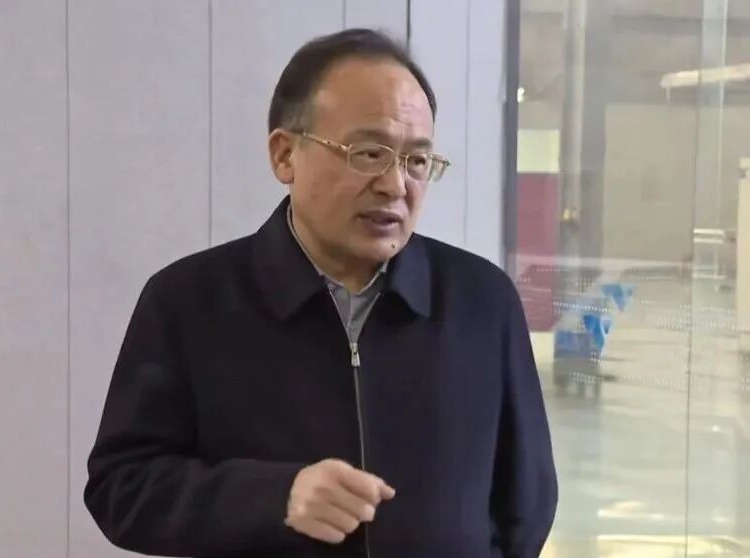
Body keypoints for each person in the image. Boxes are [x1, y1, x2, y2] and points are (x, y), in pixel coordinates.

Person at [85, 28, 557, 558]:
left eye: (417, 161)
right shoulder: (189, 301)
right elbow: (121, 488)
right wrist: (272, 498)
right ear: (285, 154)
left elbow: (526, 503)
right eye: (368, 153)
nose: (395, 185)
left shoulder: (481, 301)